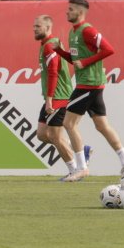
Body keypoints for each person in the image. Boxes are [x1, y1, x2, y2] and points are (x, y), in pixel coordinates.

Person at [54, 0, 124, 179]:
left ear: (80, 12)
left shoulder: (87, 30)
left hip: (88, 84)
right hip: (90, 84)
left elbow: (108, 49)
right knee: (102, 125)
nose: (67, 12)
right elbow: (76, 61)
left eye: (71, 9)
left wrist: (86, 62)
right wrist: (60, 51)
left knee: (68, 123)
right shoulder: (73, 32)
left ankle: (81, 167)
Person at [32, 14, 76, 178]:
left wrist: (49, 99)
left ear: (48, 27)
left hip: (58, 97)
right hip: (52, 97)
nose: (34, 29)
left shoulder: (50, 46)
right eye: (34, 26)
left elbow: (53, 73)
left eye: (38, 26)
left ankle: (74, 170)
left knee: (55, 136)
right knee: (42, 134)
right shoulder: (46, 45)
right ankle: (79, 151)